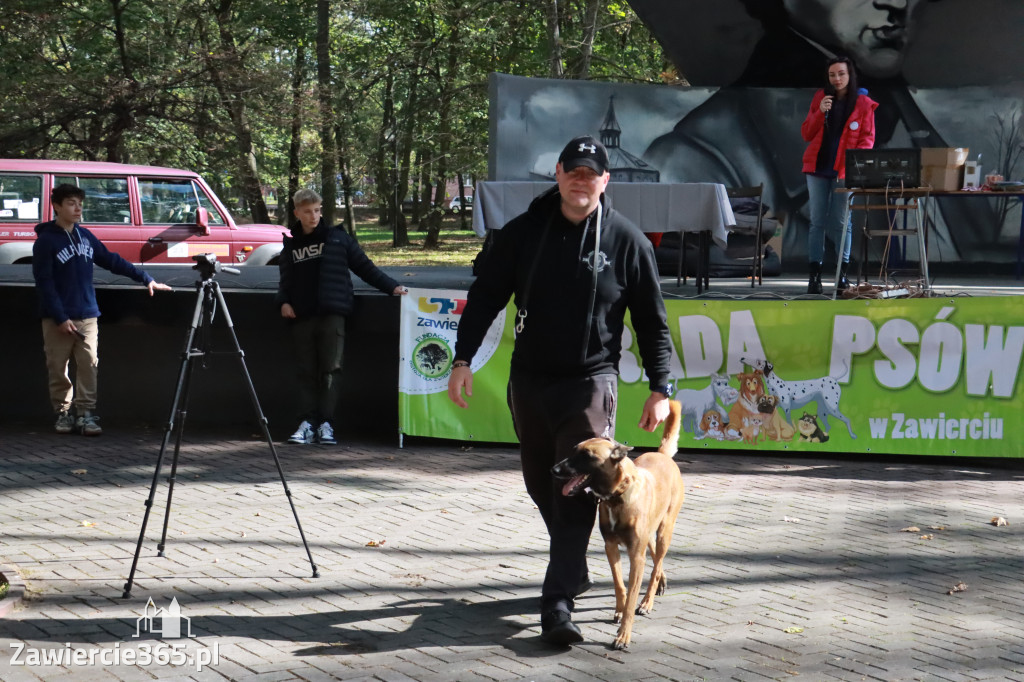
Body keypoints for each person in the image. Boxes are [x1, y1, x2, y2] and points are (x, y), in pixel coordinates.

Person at [447, 136, 674, 645]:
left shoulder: (627, 240)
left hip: (592, 381)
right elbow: (484, 299)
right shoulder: (522, 234)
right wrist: (462, 360)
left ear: (605, 181)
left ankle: (557, 604)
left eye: (591, 173)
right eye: (573, 170)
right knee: (541, 482)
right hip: (530, 380)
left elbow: (653, 322)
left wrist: (661, 386)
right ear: (557, 173)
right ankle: (572, 566)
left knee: (578, 483)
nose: (581, 179)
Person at [32, 183, 172, 436]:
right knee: (58, 367)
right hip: (57, 319)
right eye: (72, 203)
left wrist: (145, 278)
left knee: (89, 365)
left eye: (80, 203)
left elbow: (111, 260)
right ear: (56, 206)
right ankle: (63, 414)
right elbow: (45, 283)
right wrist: (60, 317)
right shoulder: (45, 242)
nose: (78, 208)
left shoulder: (86, 236)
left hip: (87, 314)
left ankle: (85, 414)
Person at [276, 189, 407, 445]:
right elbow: (285, 281)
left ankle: (326, 424)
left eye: (317, 210)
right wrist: (283, 302)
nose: (313, 216)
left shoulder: (338, 238)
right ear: (296, 213)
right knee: (305, 371)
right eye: (307, 211)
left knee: (331, 370)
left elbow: (365, 267)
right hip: (301, 315)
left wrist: (392, 287)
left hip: (333, 313)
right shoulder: (291, 245)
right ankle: (306, 423)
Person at [800, 56, 877, 293]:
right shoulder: (821, 98)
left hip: (845, 171)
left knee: (842, 223)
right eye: (833, 75)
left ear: (849, 75)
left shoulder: (863, 103)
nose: (837, 79)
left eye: (841, 74)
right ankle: (815, 277)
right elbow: (806, 133)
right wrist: (818, 112)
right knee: (817, 222)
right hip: (817, 168)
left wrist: (853, 168)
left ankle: (842, 276)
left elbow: (867, 140)